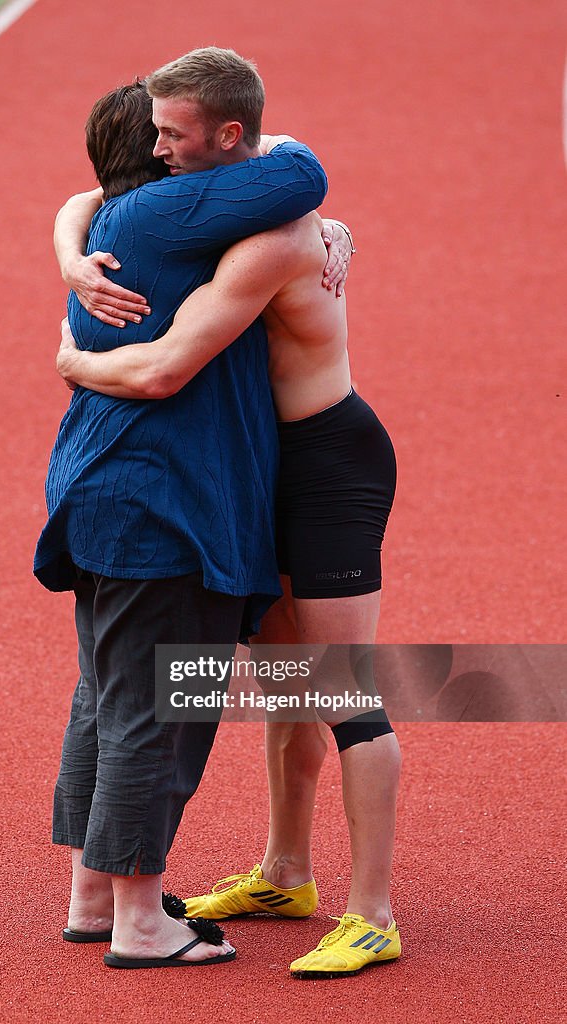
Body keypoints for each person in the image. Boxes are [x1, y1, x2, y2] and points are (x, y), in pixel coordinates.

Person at [55, 79, 401, 982]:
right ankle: (287, 872)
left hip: (326, 467)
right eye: (157, 138)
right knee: (283, 681)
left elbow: (169, 365)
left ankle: (372, 912)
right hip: (258, 471)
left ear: (223, 145)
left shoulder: (278, 236)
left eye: (178, 137)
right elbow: (99, 195)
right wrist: (68, 247)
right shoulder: (221, 212)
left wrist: (71, 358)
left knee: (340, 688)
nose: (164, 154)